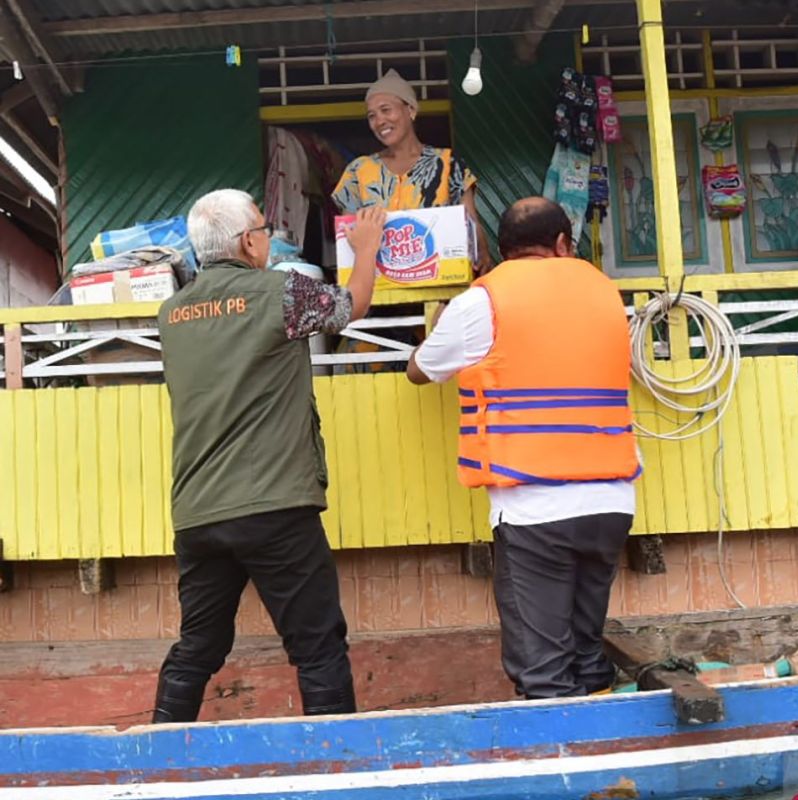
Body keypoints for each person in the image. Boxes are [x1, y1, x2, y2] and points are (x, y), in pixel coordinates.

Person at [151, 189, 386, 722]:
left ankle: (159, 758)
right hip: (275, 506)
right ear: (250, 241)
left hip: (198, 513)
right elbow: (352, 306)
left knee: (198, 648)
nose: (268, 237)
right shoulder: (279, 291)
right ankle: (337, 768)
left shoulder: (171, 314)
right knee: (317, 647)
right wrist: (365, 248)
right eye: (264, 227)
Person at [405, 197, 640, 699]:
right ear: (562, 245)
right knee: (585, 652)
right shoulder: (607, 293)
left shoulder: (481, 301)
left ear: (504, 249)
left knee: (544, 672)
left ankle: (569, 767)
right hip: (612, 503)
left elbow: (420, 370)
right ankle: (608, 749)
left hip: (534, 509)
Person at [332, 68, 492, 272]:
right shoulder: (358, 171)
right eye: (372, 116)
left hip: (440, 284)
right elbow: (348, 234)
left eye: (386, 110)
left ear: (411, 110)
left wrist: (483, 253)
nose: (379, 121)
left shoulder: (448, 163)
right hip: (379, 290)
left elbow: (470, 222)